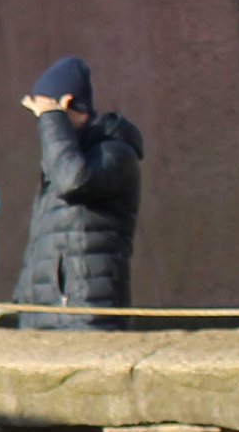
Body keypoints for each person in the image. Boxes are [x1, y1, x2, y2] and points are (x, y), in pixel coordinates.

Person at [9, 57, 143, 331]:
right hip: (48, 317)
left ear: (67, 104)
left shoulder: (115, 153)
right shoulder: (65, 158)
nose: (42, 125)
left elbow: (74, 182)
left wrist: (52, 117)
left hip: (85, 316)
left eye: (44, 112)